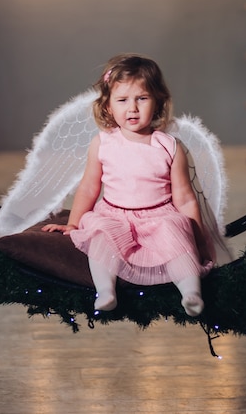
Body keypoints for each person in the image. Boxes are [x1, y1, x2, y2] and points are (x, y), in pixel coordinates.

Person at [42, 54, 214, 316]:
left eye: (142, 99)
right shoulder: (103, 143)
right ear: (109, 106)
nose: (132, 108)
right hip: (114, 215)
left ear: (157, 103)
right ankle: (106, 291)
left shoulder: (169, 146)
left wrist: (197, 237)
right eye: (122, 100)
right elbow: (89, 187)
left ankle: (191, 293)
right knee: (100, 234)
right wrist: (74, 223)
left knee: (176, 232)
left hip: (159, 216)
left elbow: (185, 197)